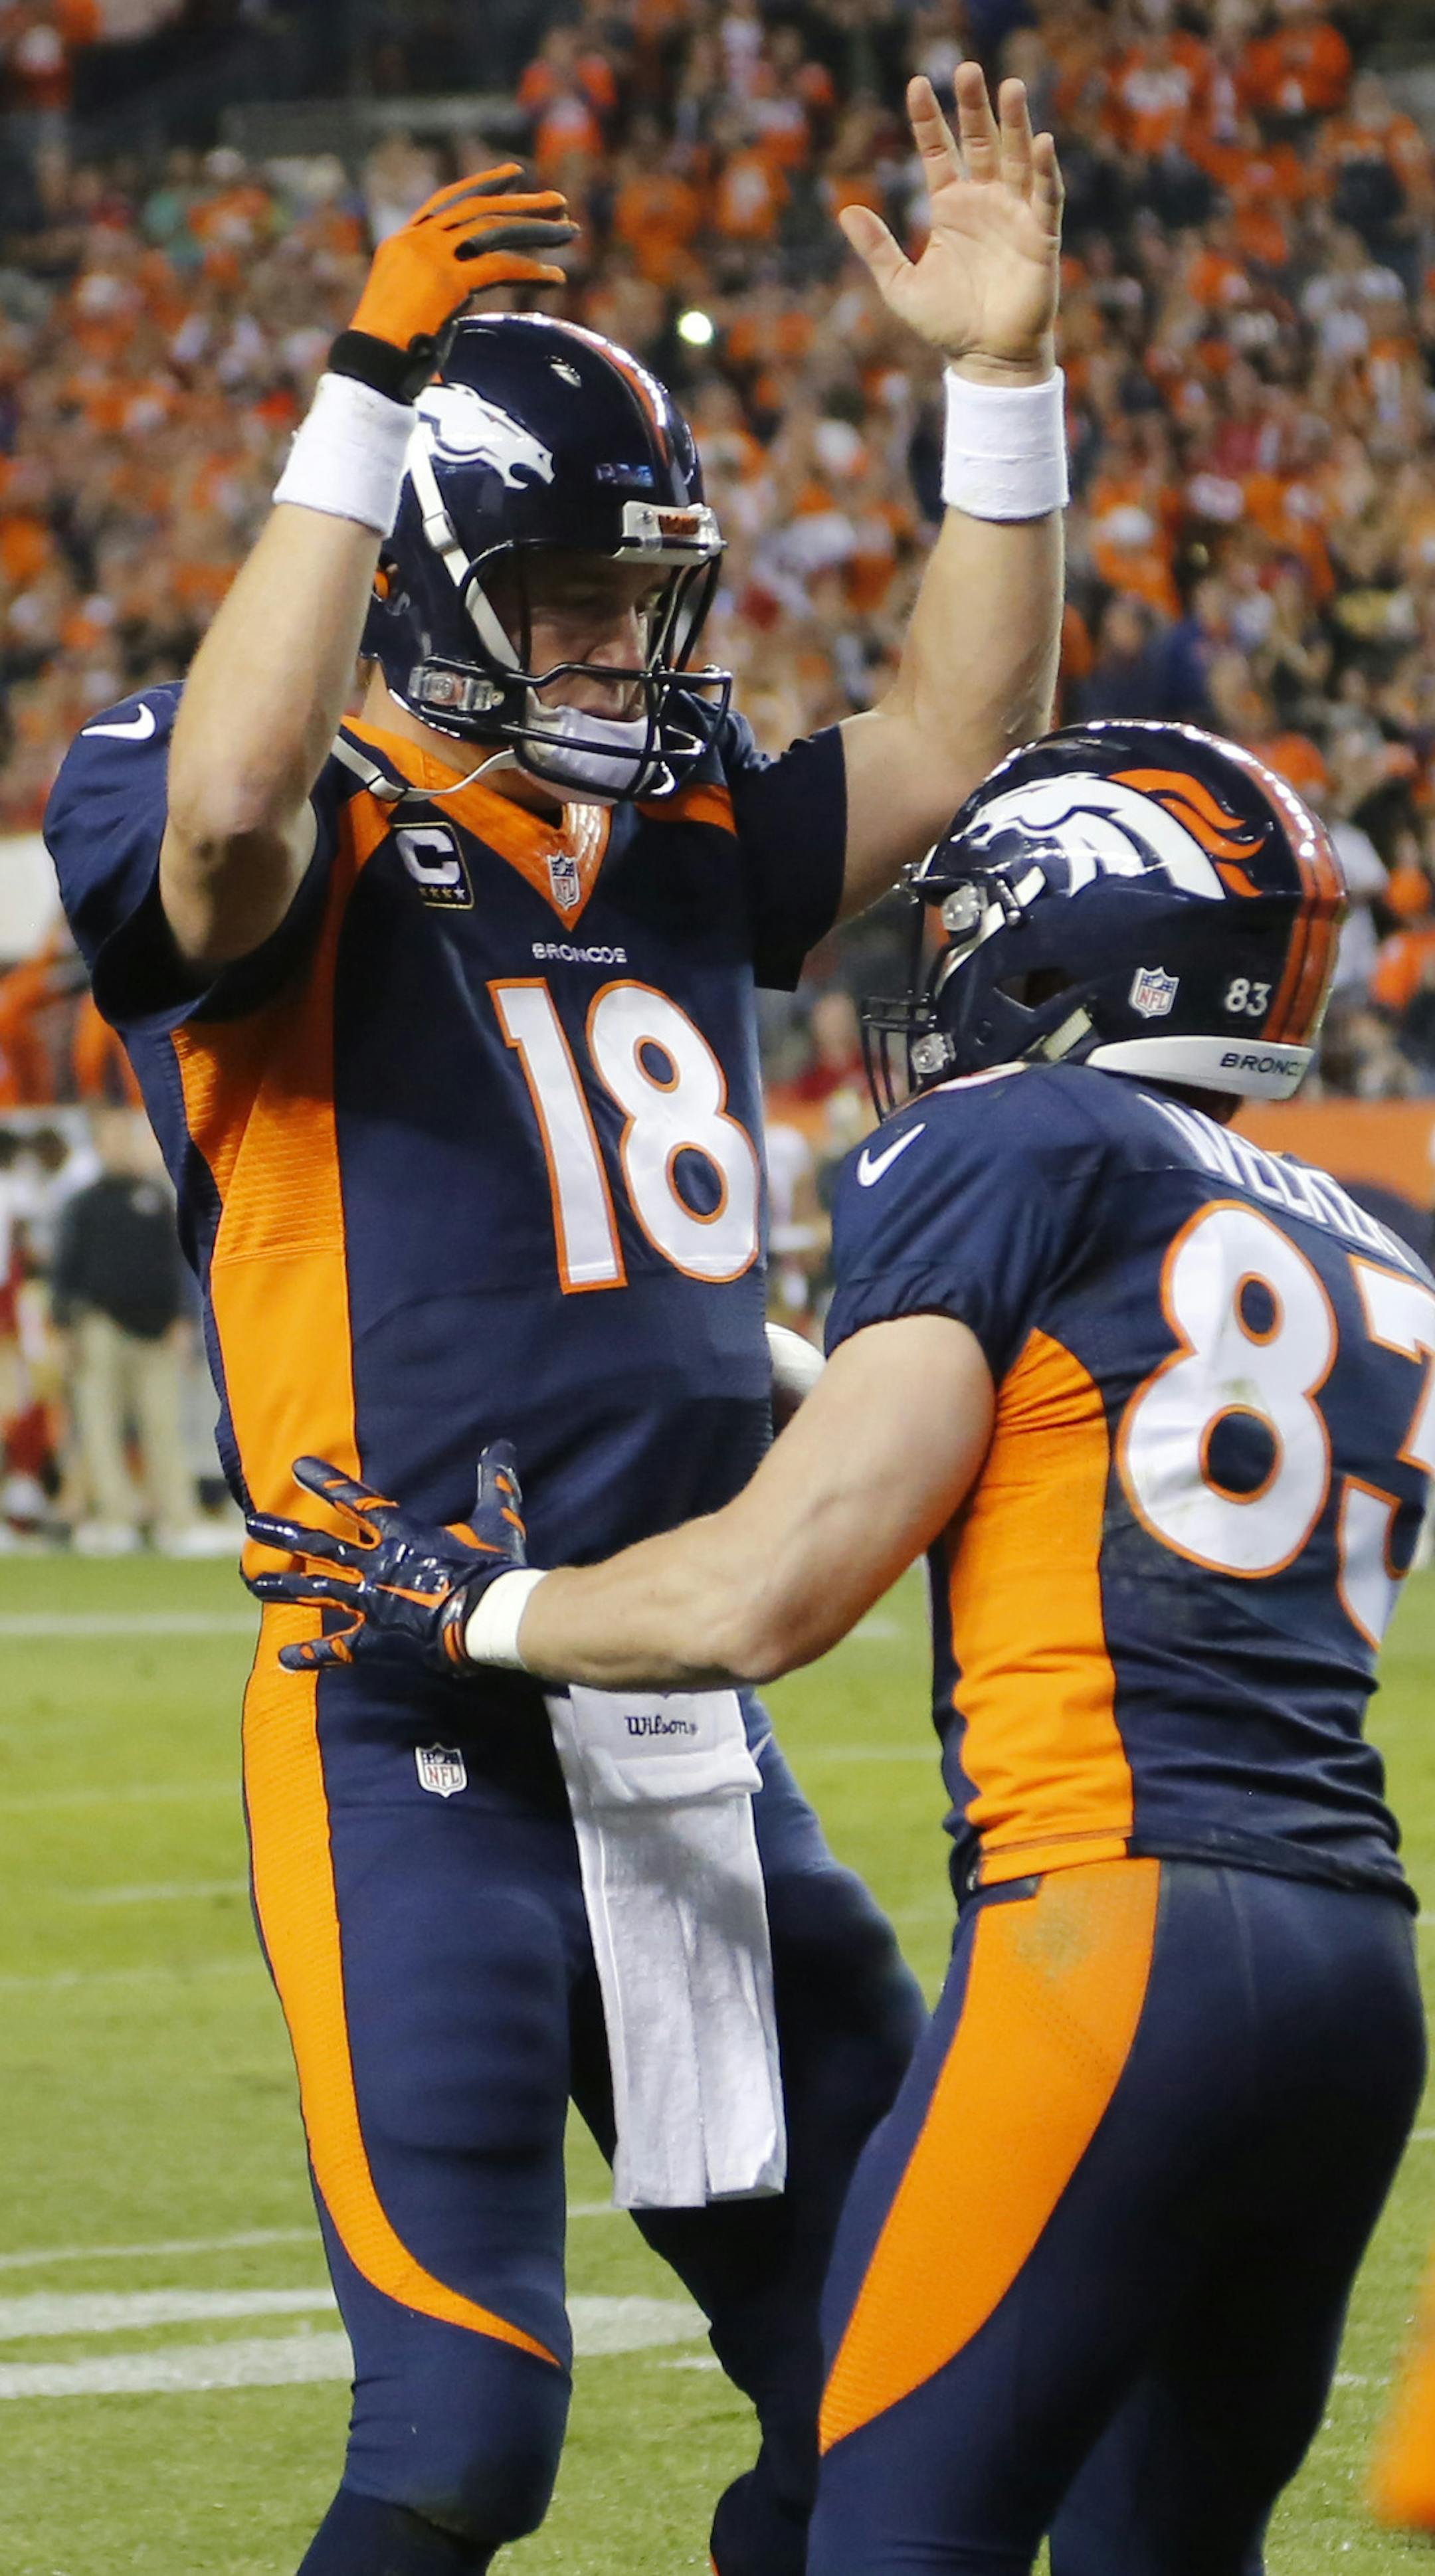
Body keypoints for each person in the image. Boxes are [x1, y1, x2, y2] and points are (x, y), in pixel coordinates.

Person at [45, 79, 1068, 2576]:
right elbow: (224, 816)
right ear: (407, 578)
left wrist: (1000, 386)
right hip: (407, 1699)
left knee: (913, 2390)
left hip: (670, 1705)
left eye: (645, 599)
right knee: (470, 2428)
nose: (627, 653)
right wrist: (360, 395)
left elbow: (954, 739)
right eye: (573, 603)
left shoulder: (673, 819)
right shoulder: (264, 809)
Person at [260, 723, 1431, 2575]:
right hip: (1359, 1976)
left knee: (895, 2529)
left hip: (1112, 1935)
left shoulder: (1016, 1135)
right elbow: (1050, 1434)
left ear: (1066, 949)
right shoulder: (1369, 1240)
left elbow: (764, 1595)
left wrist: (468, 1602)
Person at [49, 1105, 218, 1554]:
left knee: (164, 1425)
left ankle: (177, 1520)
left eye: (127, 1138)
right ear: (99, 1146)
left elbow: (177, 1263)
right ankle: (116, 1519)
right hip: (100, 1324)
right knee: (99, 1425)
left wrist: (184, 1318)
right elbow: (64, 1268)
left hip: (158, 1327)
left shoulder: (157, 1198)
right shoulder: (83, 1203)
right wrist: (63, 1325)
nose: (122, 1147)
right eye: (113, 1139)